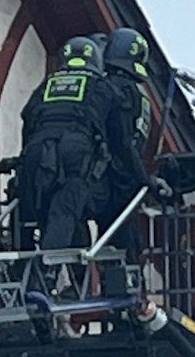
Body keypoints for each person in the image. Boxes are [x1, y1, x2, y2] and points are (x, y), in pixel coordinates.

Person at [17, 36, 134, 253]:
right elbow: (122, 141)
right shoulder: (102, 86)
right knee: (65, 211)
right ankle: (44, 274)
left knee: (33, 209)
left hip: (36, 150)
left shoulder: (46, 85)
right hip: (76, 153)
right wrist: (140, 177)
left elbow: (27, 118)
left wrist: (25, 156)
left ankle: (23, 263)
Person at [91, 28, 160, 295]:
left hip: (106, 178)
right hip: (120, 181)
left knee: (117, 241)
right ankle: (126, 291)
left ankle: (119, 290)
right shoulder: (134, 92)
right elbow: (127, 142)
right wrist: (142, 177)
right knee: (124, 241)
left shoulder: (108, 90)